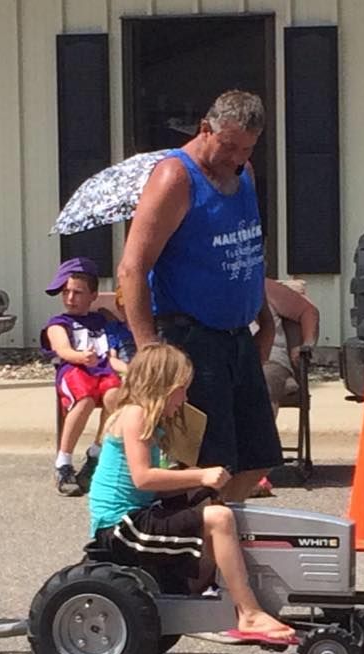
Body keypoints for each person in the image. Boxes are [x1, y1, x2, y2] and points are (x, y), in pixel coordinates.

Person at [117, 89, 281, 503]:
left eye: (247, 149)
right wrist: (150, 353)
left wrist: (265, 319)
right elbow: (132, 269)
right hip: (191, 337)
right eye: (229, 146)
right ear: (205, 128)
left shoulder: (244, 174)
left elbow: (247, 251)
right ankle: (202, 535)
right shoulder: (176, 178)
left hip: (237, 335)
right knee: (207, 465)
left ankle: (220, 529)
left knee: (258, 458)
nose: (236, 158)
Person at [88, 342, 295, 642]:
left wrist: (196, 484)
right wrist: (201, 475)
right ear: (163, 387)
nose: (185, 398)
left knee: (213, 509)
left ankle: (206, 601)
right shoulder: (135, 415)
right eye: (182, 390)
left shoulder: (148, 421)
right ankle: (248, 612)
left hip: (136, 515)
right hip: (121, 526)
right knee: (219, 519)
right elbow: (142, 478)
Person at [41, 257, 121, 496]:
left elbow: (116, 345)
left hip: (104, 370)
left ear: (93, 295)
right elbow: (62, 349)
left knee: (116, 396)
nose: (70, 298)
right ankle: (63, 463)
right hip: (74, 370)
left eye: (77, 292)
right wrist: (80, 356)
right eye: (65, 292)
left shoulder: (103, 321)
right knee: (84, 399)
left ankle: (97, 453)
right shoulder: (59, 323)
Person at [252, 277, 321, 496]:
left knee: (262, 383)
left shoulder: (265, 286)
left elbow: (308, 311)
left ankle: (256, 468)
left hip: (271, 359)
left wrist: (306, 344)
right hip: (231, 356)